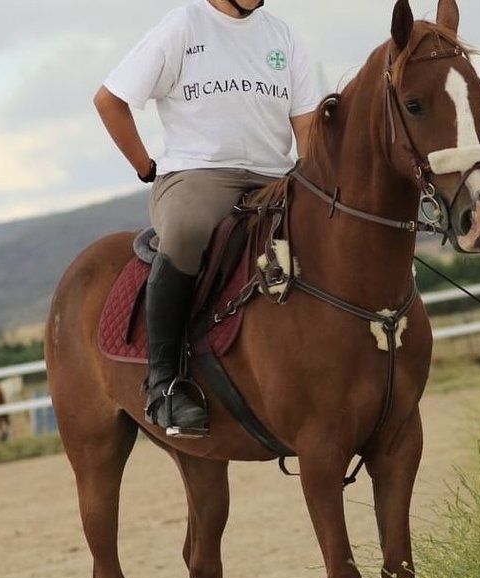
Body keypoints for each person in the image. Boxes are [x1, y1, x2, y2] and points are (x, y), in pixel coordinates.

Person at [94, 0, 322, 436]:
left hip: (275, 176)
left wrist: (309, 185)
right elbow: (110, 100)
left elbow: (307, 123)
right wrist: (146, 167)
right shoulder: (183, 24)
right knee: (186, 233)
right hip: (198, 174)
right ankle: (164, 384)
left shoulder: (284, 36)